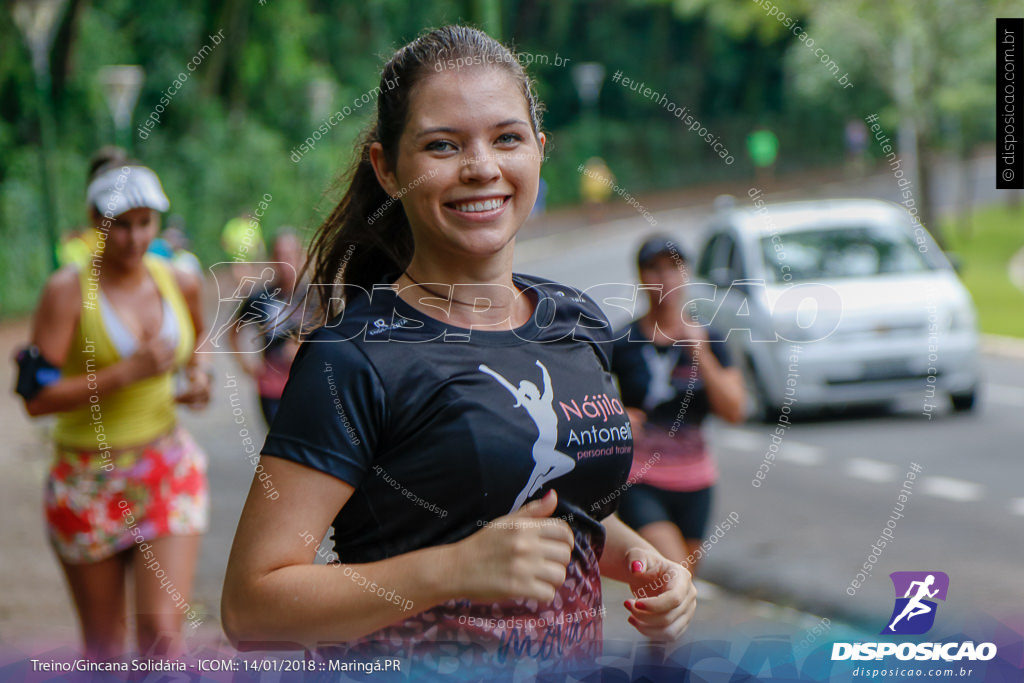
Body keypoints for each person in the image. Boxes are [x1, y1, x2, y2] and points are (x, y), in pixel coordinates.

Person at [222, 26, 696, 678]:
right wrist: (452, 569)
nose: (481, 166)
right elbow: (252, 605)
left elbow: (563, 515)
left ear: (539, 151)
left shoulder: (577, 321)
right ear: (387, 169)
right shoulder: (352, 357)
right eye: (443, 145)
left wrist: (652, 565)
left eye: (507, 137)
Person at [14, 150, 211, 659]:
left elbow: (199, 344)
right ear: (94, 222)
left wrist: (198, 379)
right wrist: (127, 373)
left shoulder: (180, 279)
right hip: (87, 480)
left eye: (146, 223)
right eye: (120, 226)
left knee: (162, 637)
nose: (135, 238)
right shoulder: (66, 292)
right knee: (104, 649)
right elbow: (35, 399)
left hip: (166, 470)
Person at [610, 236, 747, 574]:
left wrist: (699, 353)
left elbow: (734, 411)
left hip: (695, 481)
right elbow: (587, 401)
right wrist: (615, 417)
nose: (664, 277)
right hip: (640, 479)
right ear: (641, 276)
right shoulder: (623, 341)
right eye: (654, 268)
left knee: (678, 588)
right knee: (672, 572)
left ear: (686, 273)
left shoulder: (711, 339)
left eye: (673, 267)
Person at [226, 229, 305, 425]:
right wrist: (245, 364)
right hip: (272, 388)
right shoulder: (260, 298)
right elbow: (233, 330)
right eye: (279, 255)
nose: (285, 262)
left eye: (289, 255)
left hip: (307, 386)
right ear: (272, 259)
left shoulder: (316, 297)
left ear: (301, 257)